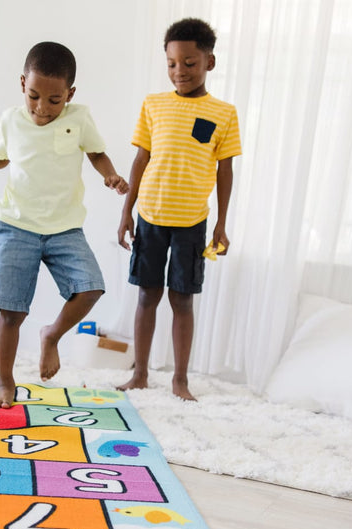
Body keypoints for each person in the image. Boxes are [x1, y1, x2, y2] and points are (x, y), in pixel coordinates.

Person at [0, 41, 128, 408]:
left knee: (90, 288)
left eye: (54, 100)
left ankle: (51, 336)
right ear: (22, 83)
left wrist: (111, 175)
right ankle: (5, 382)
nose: (42, 108)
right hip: (15, 225)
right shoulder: (11, 119)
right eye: (34, 96)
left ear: (70, 94)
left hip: (65, 228)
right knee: (12, 312)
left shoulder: (79, 118)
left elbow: (96, 152)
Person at [117, 18, 241, 401]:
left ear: (209, 62)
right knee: (146, 296)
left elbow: (225, 169)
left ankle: (180, 380)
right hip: (150, 217)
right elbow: (141, 160)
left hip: (192, 223)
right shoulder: (153, 105)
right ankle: (139, 373)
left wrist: (221, 223)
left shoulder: (224, 113)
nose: (179, 71)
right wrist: (127, 211)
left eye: (189, 63)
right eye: (172, 63)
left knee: (182, 299)